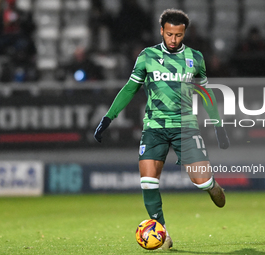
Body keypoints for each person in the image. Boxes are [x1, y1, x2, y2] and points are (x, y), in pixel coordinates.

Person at [94, 9, 229, 250]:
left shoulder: (195, 57)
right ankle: (161, 232)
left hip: (185, 128)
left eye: (178, 35)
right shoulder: (147, 56)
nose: (173, 40)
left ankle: (212, 186)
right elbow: (129, 89)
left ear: (184, 33)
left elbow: (206, 93)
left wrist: (217, 124)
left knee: (201, 182)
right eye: (169, 34)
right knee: (148, 181)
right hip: (154, 127)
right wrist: (108, 117)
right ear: (161, 31)